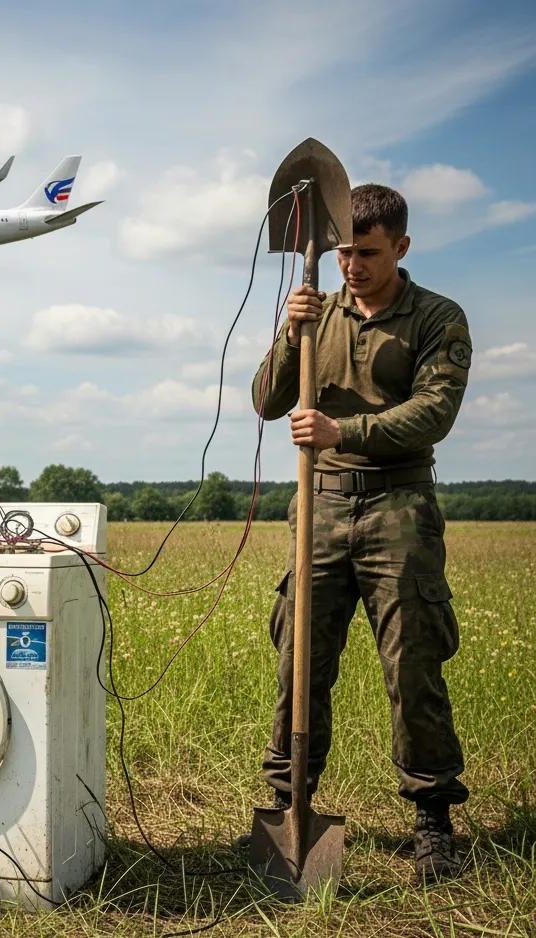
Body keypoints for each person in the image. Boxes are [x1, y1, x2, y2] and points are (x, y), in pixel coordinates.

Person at [251, 184, 471, 882]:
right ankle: (290, 809)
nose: (352, 266)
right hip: (317, 507)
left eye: (368, 254)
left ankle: (433, 818)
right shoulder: (319, 312)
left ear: (401, 247)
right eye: (344, 251)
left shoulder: (438, 317)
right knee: (299, 658)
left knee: (413, 663)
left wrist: (345, 429)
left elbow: (434, 413)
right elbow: (267, 401)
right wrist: (291, 336)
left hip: (398, 507)